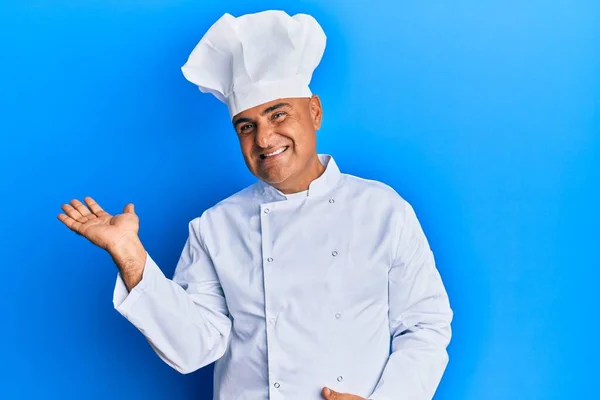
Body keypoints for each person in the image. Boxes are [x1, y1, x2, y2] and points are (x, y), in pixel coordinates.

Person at [57, 10, 453, 400]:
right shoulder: (216, 226)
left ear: (314, 112)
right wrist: (130, 256)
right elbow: (194, 347)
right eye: (246, 126)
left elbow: (425, 325)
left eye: (278, 114)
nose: (264, 139)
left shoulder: (382, 210)